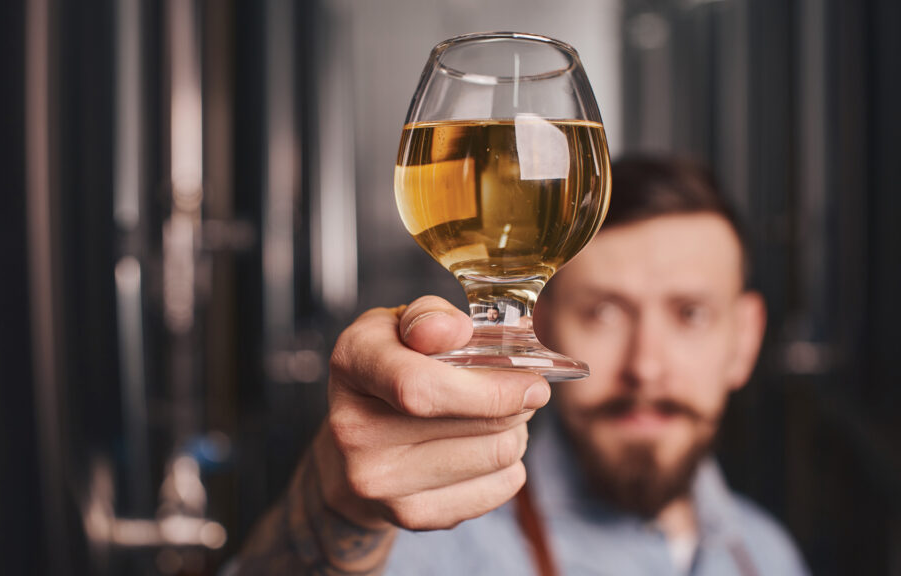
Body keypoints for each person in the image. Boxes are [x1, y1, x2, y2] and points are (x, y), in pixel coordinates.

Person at [224, 157, 810, 575]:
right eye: (604, 312)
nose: (646, 368)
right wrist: (339, 508)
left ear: (744, 339)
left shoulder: (768, 553)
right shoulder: (428, 536)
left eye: (690, 314)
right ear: (544, 325)